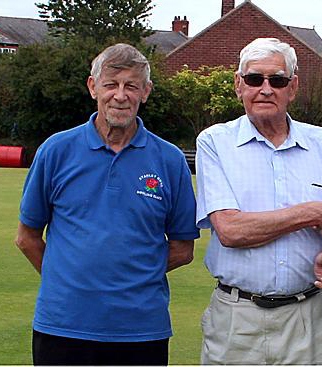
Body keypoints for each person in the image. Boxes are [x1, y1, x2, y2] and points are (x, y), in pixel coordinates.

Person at [16, 43, 200, 365]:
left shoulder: (170, 160)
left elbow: (183, 248)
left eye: (131, 86)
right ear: (92, 87)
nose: (120, 95)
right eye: (111, 84)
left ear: (146, 91)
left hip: (142, 331)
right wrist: (69, 280)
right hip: (62, 327)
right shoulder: (56, 151)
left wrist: (128, 276)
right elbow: (27, 237)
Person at [195, 37, 322, 365]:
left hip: (312, 316)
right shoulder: (215, 142)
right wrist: (310, 212)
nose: (266, 89)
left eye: (278, 80)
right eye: (255, 79)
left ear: (293, 86)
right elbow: (230, 230)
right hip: (237, 318)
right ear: (238, 85)